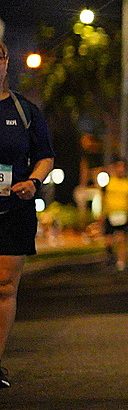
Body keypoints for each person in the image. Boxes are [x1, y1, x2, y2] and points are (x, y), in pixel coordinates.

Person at [0, 38, 55, 388]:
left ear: (6, 61)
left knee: (5, 286)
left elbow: (45, 156)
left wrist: (33, 181)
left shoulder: (24, 111)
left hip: (13, 209)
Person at [102, 159, 128, 272]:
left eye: (122, 167)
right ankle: (110, 256)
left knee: (121, 239)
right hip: (110, 215)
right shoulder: (109, 183)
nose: (120, 170)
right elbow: (103, 198)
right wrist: (102, 214)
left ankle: (121, 262)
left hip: (123, 215)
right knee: (108, 241)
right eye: (118, 167)